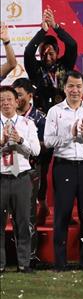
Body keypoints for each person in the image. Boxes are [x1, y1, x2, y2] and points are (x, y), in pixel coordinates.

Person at [44, 70, 83, 271]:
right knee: (62, 214)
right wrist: (69, 135)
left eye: (78, 86)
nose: (75, 90)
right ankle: (60, 262)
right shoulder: (55, 111)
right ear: (64, 88)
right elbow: (48, 141)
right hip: (64, 166)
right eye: (71, 86)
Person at [0, 85, 40, 274]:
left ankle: (24, 263)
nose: (5, 103)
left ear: (17, 102)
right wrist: (2, 142)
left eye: (9, 99)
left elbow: (36, 151)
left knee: (23, 222)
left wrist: (21, 140)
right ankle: (0, 264)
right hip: (1, 177)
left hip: (22, 177)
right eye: (1, 100)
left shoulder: (27, 124)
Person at [12, 78, 47, 263]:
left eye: (19, 95)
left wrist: (26, 143)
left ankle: (30, 256)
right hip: (7, 169)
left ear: (30, 96)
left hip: (31, 169)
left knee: (28, 214)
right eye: (14, 95)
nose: (16, 99)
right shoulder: (6, 116)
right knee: (11, 214)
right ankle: (15, 255)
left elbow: (47, 145)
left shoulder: (39, 118)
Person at [24, 8, 78, 112]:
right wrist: (43, 31)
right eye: (44, 54)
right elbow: (28, 52)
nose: (48, 58)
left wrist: (55, 27)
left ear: (57, 52)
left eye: (51, 54)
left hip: (65, 112)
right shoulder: (35, 68)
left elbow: (72, 45)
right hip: (42, 114)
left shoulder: (65, 65)